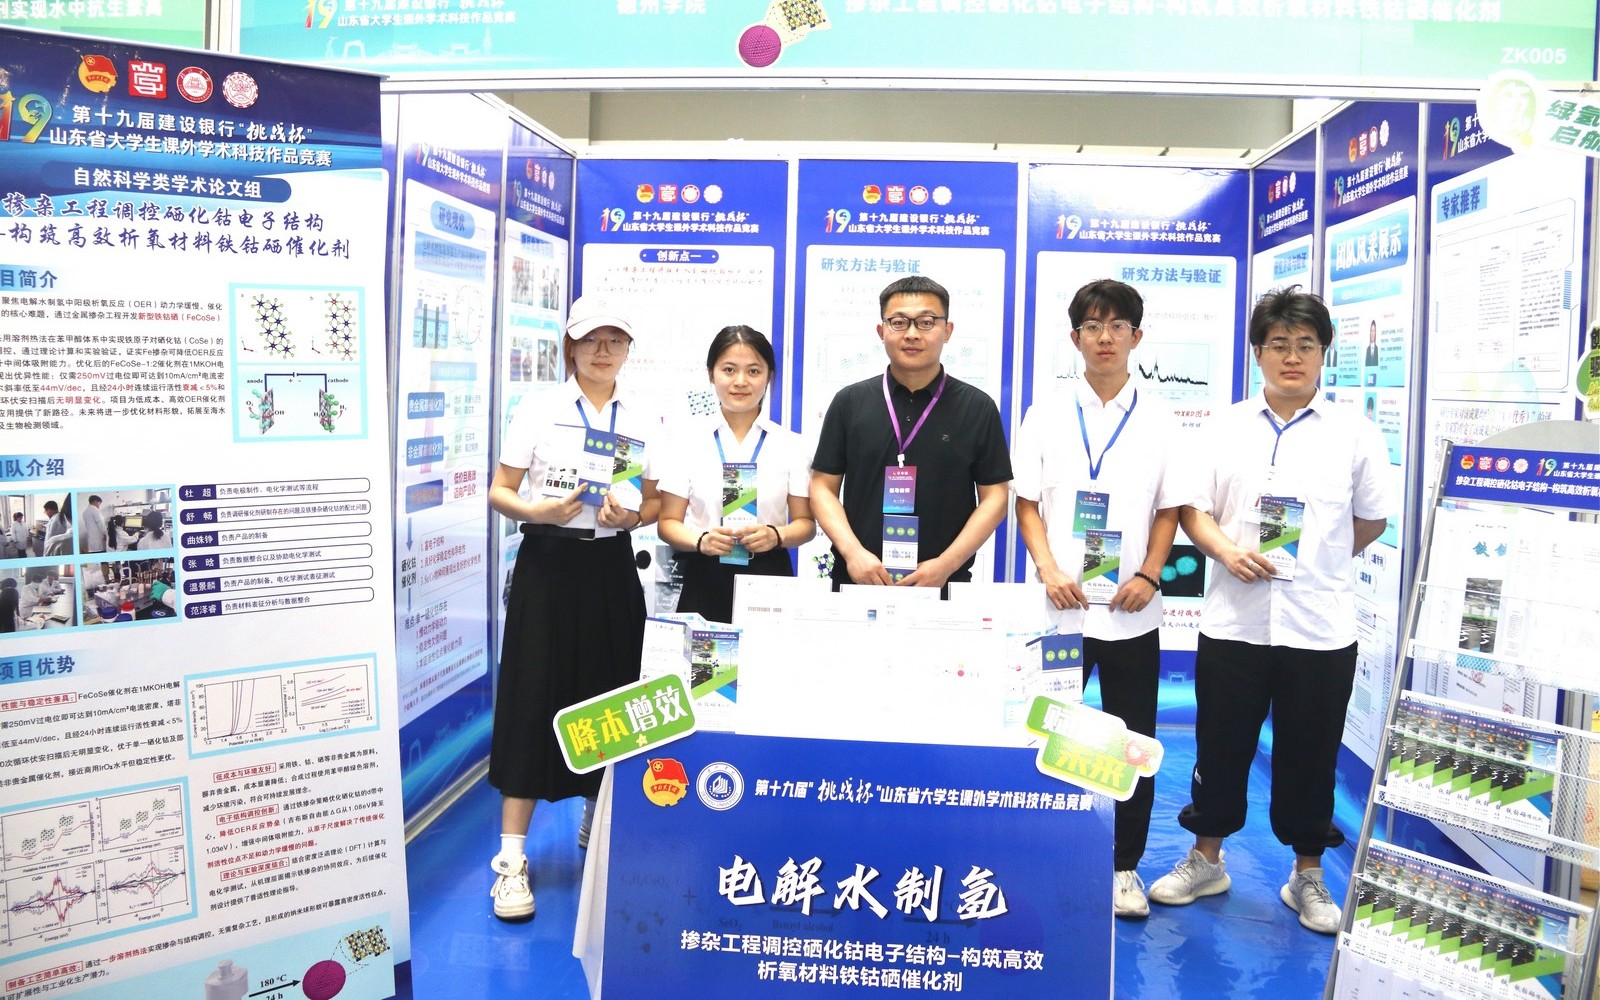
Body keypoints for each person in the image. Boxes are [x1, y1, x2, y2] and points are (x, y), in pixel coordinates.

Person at [1148, 286, 1394, 935]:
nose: (1292, 356)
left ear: (1324, 353)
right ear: (1258, 351)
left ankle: (1307, 874)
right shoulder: (1224, 427)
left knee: (1311, 754)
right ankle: (1207, 860)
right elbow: (1194, 511)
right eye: (1279, 343)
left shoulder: (1355, 433)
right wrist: (1227, 552)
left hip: (1320, 627)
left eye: (1305, 345)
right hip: (1235, 623)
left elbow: (1371, 519)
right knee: (1220, 747)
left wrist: (1320, 561)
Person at [485, 295, 662, 922]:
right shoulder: (539, 408)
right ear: (571, 346)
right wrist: (538, 511)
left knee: (611, 693)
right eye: (591, 339)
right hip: (548, 565)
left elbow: (653, 501)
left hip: (611, 567)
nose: (603, 350)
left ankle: (599, 819)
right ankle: (511, 859)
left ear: (628, 350)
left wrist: (631, 516)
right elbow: (500, 491)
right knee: (531, 698)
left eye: (615, 340)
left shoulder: (642, 415)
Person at [1011, 279, 1180, 920]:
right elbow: (1027, 505)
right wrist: (1048, 567)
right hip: (1060, 609)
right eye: (1092, 326)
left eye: (1116, 327)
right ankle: (1039, 850)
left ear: (1137, 336)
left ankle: (1122, 866)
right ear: (1075, 337)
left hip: (1133, 611)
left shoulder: (1162, 419)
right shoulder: (1046, 414)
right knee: (1042, 728)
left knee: (1131, 741)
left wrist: (1151, 575)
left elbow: (1170, 509)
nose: (1104, 337)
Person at [810, 275, 1011, 594]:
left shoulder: (977, 407)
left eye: (927, 322)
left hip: (944, 584)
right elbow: (822, 486)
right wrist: (853, 553)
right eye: (899, 322)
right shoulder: (850, 402)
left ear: (947, 330)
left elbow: (996, 497)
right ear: (882, 331)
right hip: (859, 580)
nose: (913, 334)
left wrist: (946, 564)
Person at [656, 326, 815, 623]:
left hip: (769, 578)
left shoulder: (792, 445)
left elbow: (806, 524)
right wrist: (701, 540)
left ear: (769, 376)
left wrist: (776, 535)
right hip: (705, 576)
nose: (741, 381)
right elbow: (667, 523)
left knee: (767, 654)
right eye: (729, 370)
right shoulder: (686, 442)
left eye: (754, 371)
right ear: (711, 374)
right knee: (704, 656)